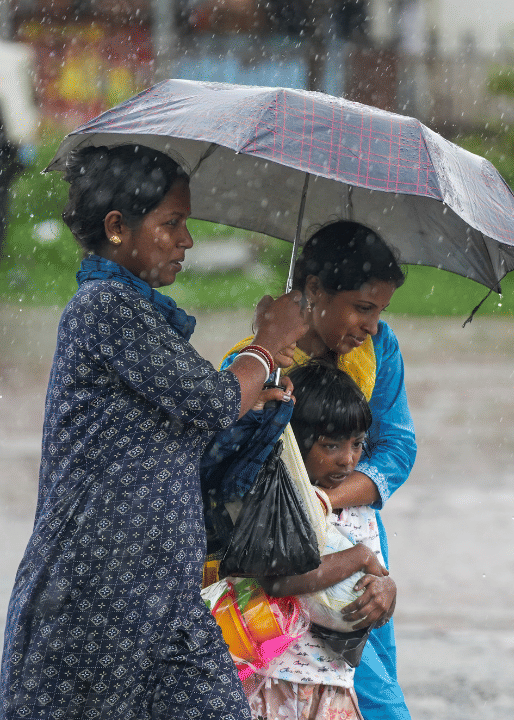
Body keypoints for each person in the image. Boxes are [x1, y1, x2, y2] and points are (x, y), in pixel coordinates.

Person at [1, 144, 307, 718]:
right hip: (94, 597)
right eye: (172, 224)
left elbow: (200, 422)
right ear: (118, 228)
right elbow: (212, 399)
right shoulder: (104, 308)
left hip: (166, 595)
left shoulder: (143, 318)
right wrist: (265, 342)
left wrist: (259, 393)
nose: (186, 240)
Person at [222, 221, 416, 720]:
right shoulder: (254, 364)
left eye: (380, 311)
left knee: (370, 674)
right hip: (274, 557)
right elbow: (225, 473)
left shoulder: (379, 350)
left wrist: (326, 501)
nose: (371, 325)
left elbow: (396, 448)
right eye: (362, 308)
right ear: (313, 290)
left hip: (354, 536)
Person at [247, 360, 397, 720]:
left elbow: (375, 583)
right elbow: (281, 579)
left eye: (358, 444)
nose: (347, 460)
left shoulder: (358, 512)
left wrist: (386, 594)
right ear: (295, 442)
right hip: (275, 683)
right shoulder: (277, 501)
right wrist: (357, 556)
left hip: (333, 686)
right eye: (331, 446)